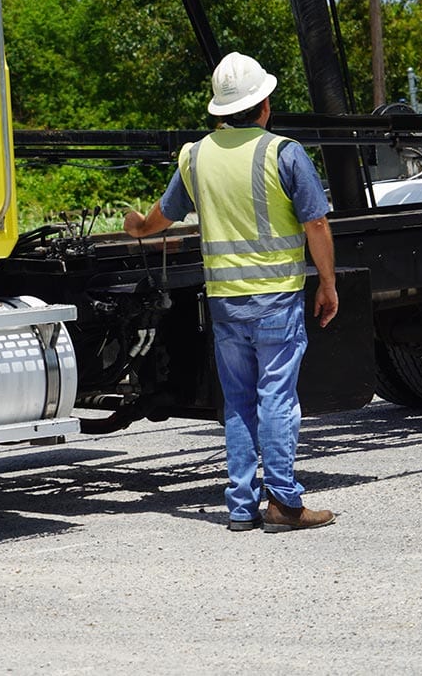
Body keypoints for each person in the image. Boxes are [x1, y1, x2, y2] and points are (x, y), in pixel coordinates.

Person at [123, 52, 338, 533]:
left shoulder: (195, 155)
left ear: (220, 111)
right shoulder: (283, 152)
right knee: (277, 398)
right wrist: (328, 282)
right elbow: (317, 222)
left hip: (224, 303)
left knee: (239, 402)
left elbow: (164, 213)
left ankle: (241, 507)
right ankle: (284, 502)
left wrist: (139, 229)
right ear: (264, 105)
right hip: (277, 299)